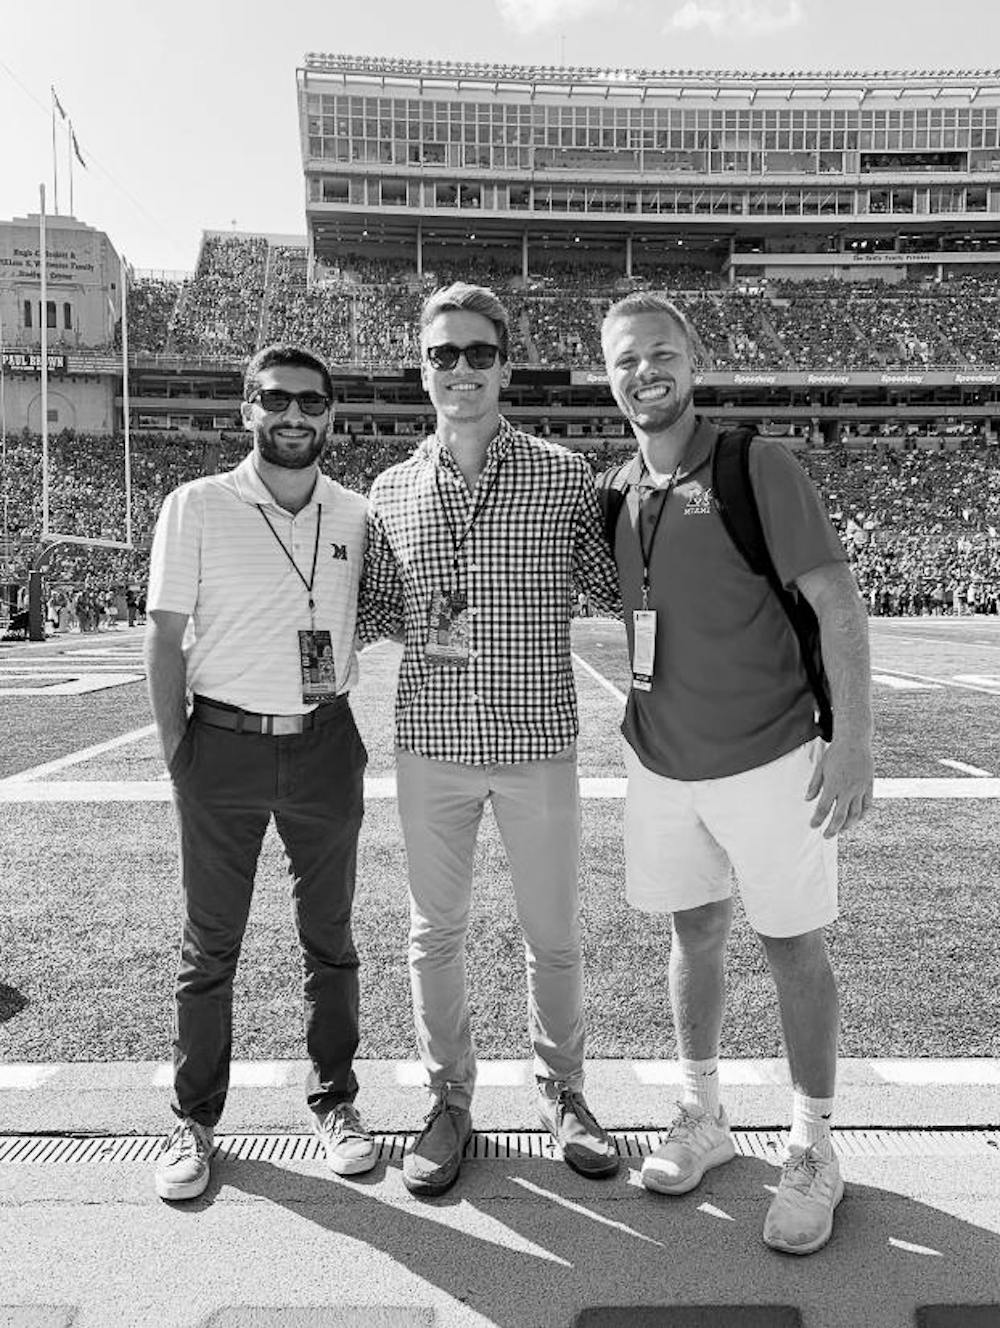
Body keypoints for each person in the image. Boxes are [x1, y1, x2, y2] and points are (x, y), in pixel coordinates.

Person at [599, 292, 874, 1255]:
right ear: (610, 374)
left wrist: (854, 739)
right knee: (693, 934)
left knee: (794, 944)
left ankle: (812, 1145)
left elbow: (835, 601)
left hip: (770, 757)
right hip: (664, 761)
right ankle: (703, 1110)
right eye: (628, 360)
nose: (646, 373)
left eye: (662, 354)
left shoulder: (758, 464)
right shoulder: (620, 491)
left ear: (695, 358)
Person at [362, 282, 622, 1197]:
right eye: (443, 355)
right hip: (431, 739)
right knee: (435, 935)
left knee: (551, 934)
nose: (460, 370)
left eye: (478, 353)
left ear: (505, 364)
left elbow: (620, 587)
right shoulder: (389, 490)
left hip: (536, 736)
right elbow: (372, 612)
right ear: (421, 368)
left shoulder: (560, 474)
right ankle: (450, 1099)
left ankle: (562, 1088)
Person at [145, 343, 374, 1201]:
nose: (294, 416)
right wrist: (179, 758)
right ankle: (195, 1118)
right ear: (248, 407)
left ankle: (337, 1102)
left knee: (332, 940)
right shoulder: (196, 505)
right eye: (275, 399)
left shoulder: (354, 512)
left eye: (311, 402)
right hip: (224, 743)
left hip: (324, 738)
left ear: (331, 414)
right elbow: (164, 638)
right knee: (210, 947)